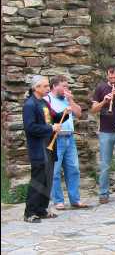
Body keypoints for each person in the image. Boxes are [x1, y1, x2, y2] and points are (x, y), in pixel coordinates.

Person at [22, 75, 69, 223]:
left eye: (48, 86)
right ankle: (29, 212)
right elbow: (30, 127)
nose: (48, 88)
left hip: (49, 145)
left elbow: (54, 118)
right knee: (38, 179)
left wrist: (64, 115)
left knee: (47, 179)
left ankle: (41, 209)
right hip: (38, 147)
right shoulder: (30, 105)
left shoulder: (43, 102)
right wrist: (50, 128)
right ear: (36, 88)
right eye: (45, 86)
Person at [46, 75, 88, 210]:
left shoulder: (67, 99)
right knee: (55, 171)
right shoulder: (47, 100)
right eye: (64, 86)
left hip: (69, 138)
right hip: (56, 138)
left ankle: (75, 199)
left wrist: (70, 100)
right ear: (54, 86)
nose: (66, 89)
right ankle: (58, 200)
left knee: (73, 169)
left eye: (67, 86)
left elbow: (79, 113)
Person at [91, 65, 115, 204]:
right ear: (107, 76)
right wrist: (104, 101)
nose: (112, 79)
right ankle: (103, 193)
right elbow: (93, 109)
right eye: (110, 77)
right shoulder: (101, 88)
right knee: (105, 164)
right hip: (106, 131)